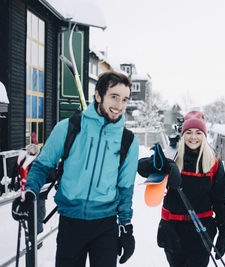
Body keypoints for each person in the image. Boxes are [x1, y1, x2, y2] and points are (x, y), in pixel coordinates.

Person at [11, 71, 139, 267]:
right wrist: (30, 193)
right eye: (114, 97)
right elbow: (42, 165)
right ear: (98, 95)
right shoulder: (69, 127)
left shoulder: (128, 140)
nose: (119, 105)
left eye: (124, 99)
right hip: (71, 223)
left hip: (105, 225)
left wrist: (126, 226)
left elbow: (125, 189)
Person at [138, 110, 225, 267]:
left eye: (198, 132)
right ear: (182, 134)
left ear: (204, 135)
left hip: (201, 232)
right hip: (173, 232)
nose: (193, 137)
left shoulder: (213, 162)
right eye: (188, 132)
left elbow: (220, 201)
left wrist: (224, 233)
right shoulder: (172, 156)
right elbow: (141, 167)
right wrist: (165, 164)